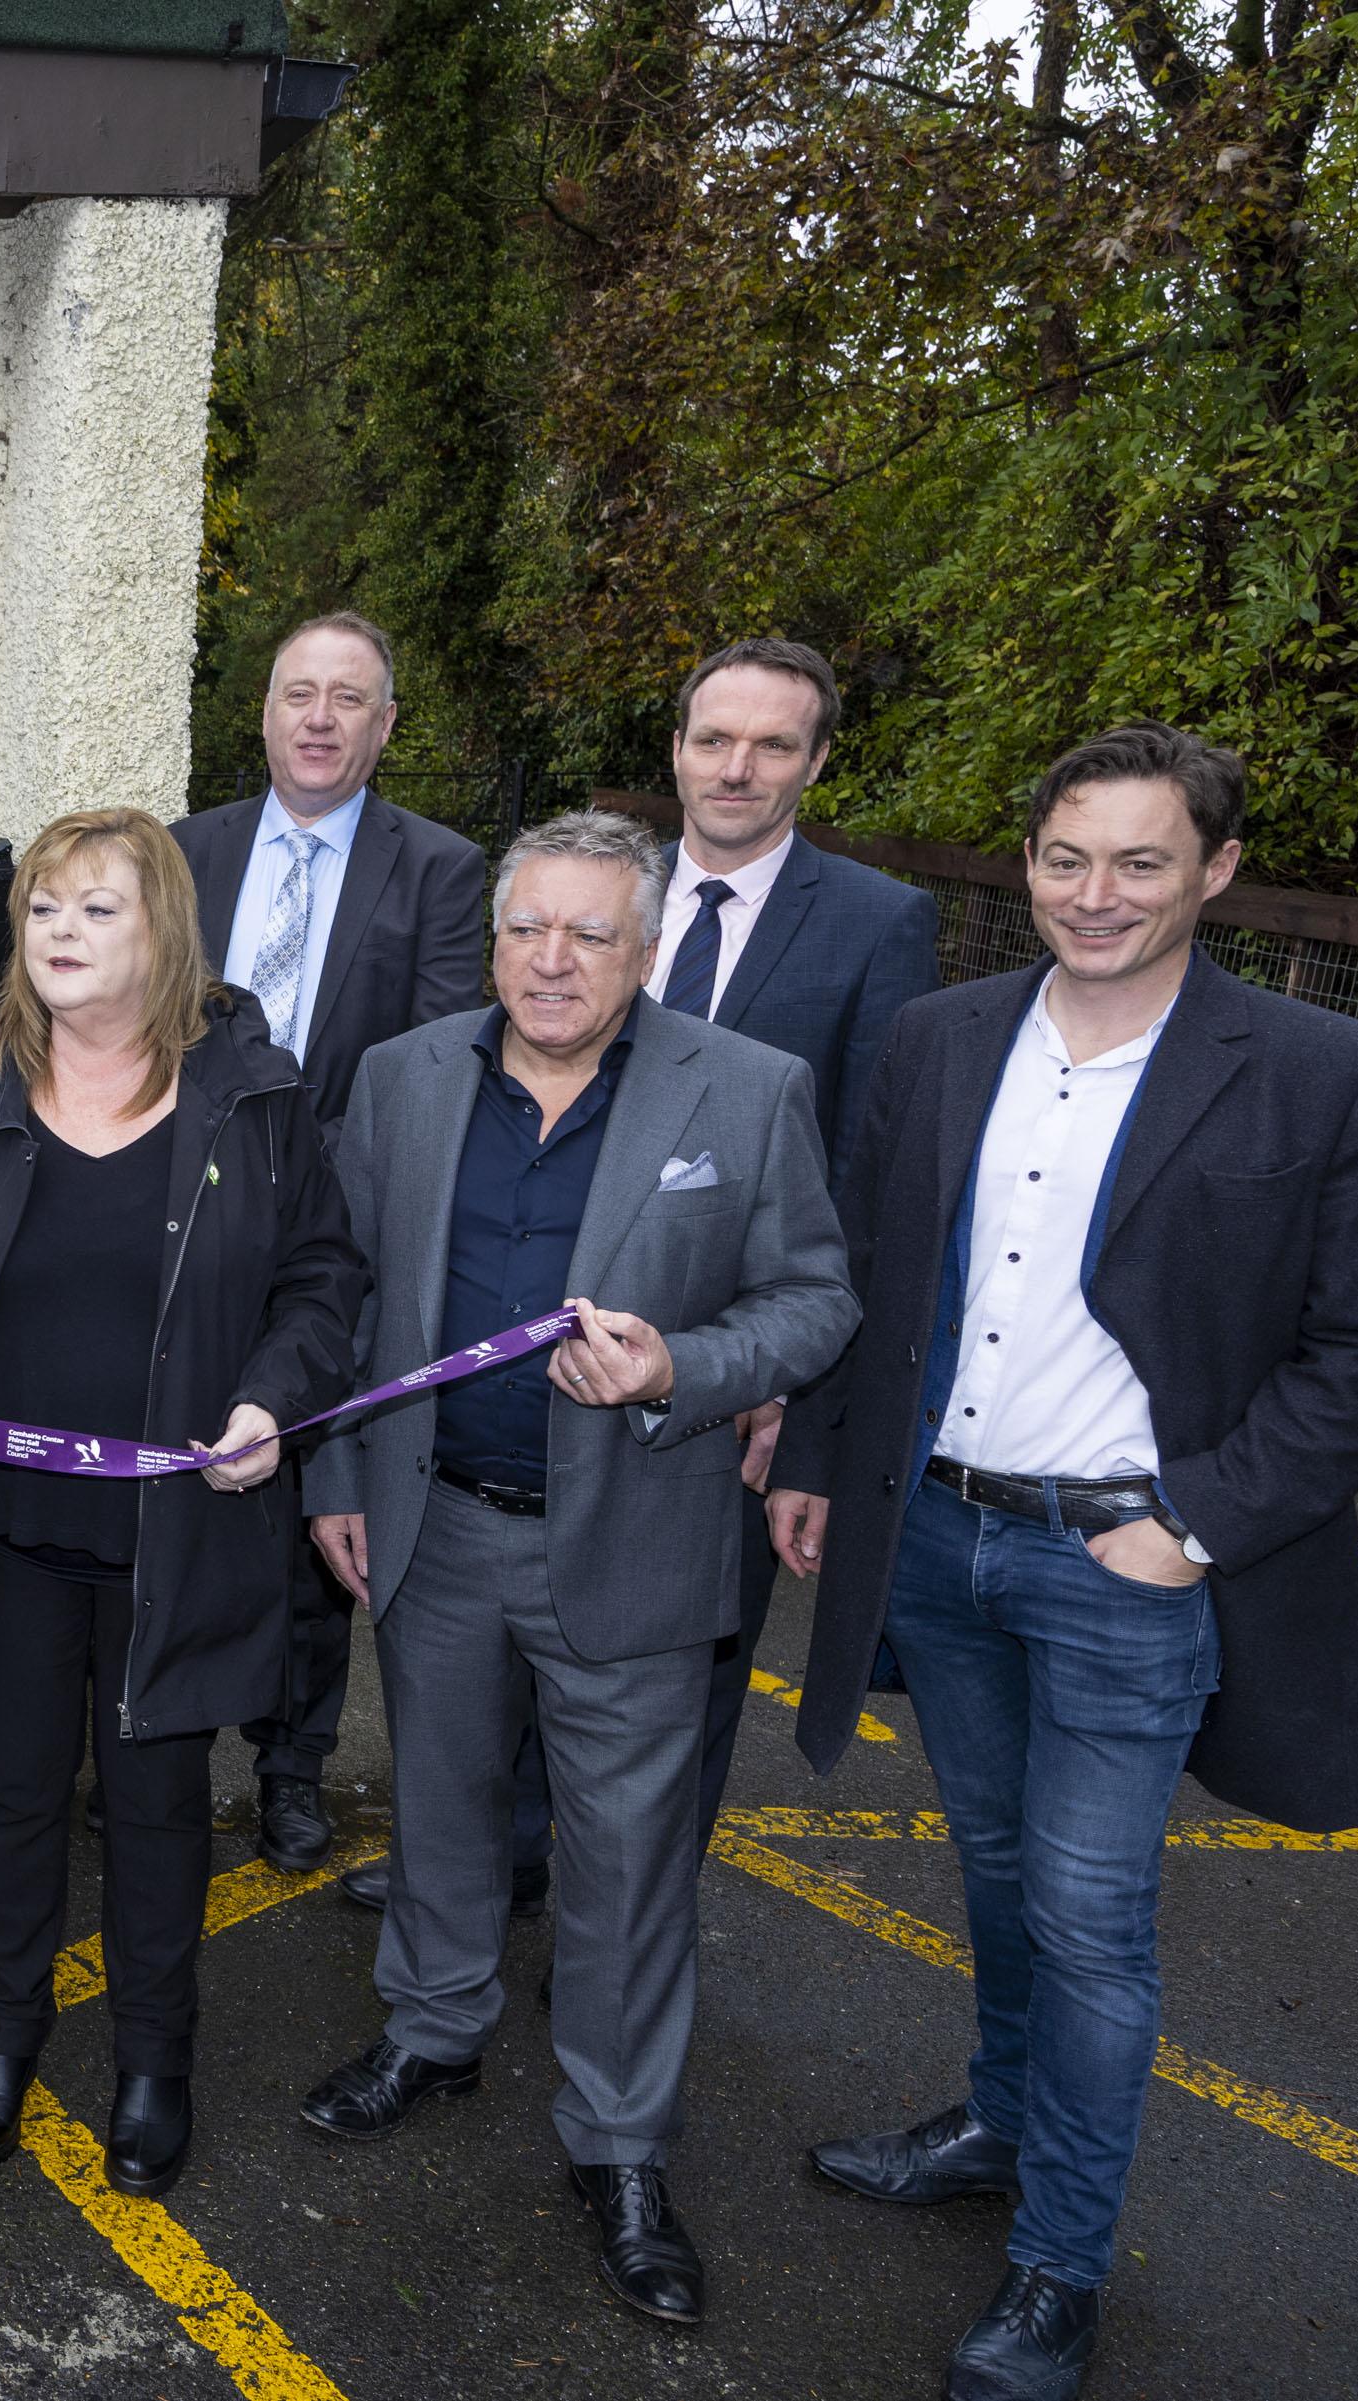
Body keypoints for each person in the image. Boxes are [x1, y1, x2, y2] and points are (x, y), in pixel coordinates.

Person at [769, 726, 1358, 2401]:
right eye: (1068, 858)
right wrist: (827, 1465)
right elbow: (872, 1262)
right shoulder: (938, 1039)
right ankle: (999, 2119)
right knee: (993, 1868)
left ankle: (1060, 2264)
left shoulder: (1334, 1076)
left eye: (1141, 861)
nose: (1096, 894)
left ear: (1214, 870)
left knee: (1088, 1919)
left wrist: (1186, 1528)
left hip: (1128, 1564)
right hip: (937, 1530)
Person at [289, 810, 856, 2329]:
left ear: (648, 948)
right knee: (442, 1805)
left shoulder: (747, 1089)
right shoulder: (404, 1079)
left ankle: (617, 2146)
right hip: (435, 1521)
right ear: (494, 937)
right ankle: (434, 2026)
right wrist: (335, 1472)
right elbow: (338, 1294)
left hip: (638, 1539)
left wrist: (687, 1363)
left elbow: (815, 1299)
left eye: (591, 934)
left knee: (625, 1867)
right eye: (528, 928)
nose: (553, 960)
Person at [0, 806, 362, 2202]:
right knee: (6, 1794)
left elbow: (321, 1282)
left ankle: (152, 2062)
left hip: (173, 1528)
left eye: (97, 910)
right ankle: (2, 2032)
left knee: (156, 1803)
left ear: (163, 932)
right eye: (46, 911)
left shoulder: (253, 1094)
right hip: (2, 1523)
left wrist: (271, 1398)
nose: (61, 935)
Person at [168, 611, 487, 1884]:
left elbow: (435, 1054)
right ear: (262, 711)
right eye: (297, 692)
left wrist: (296, 1181)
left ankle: (290, 1771)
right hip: (177, 1218)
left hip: (334, 1226)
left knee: (312, 1503)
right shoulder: (183, 852)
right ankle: (165, 1745)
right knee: (176, 1485)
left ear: (386, 725)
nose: (318, 717)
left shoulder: (445, 870)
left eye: (347, 698)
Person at [648, 638, 939, 1834]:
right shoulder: (593, 891)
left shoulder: (879, 923)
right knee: (512, 1633)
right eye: (713, 739)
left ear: (816, 761)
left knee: (693, 1664)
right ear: (676, 749)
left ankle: (637, 1930)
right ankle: (503, 1870)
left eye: (773, 744)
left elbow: (868, 1189)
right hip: (551, 1335)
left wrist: (804, 1411)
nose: (736, 767)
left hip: (745, 1371)